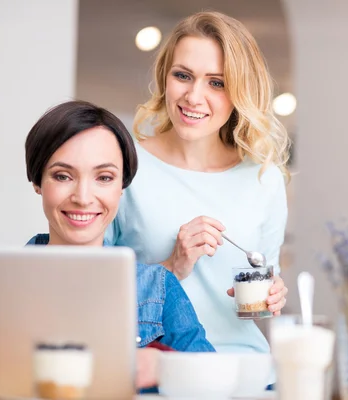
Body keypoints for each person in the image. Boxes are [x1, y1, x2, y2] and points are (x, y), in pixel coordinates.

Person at [105, 10, 290, 365]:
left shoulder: (264, 178)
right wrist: (171, 267)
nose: (193, 96)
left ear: (239, 92)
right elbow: (96, 294)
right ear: (165, 78)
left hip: (244, 369)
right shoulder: (125, 166)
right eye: (183, 76)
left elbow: (259, 303)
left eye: (216, 83)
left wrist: (272, 299)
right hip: (155, 369)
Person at [23, 100, 215, 389]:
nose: (83, 197)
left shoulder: (157, 288)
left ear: (121, 187)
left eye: (104, 177)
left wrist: (167, 368)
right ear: (38, 181)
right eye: (63, 176)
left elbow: (214, 383)